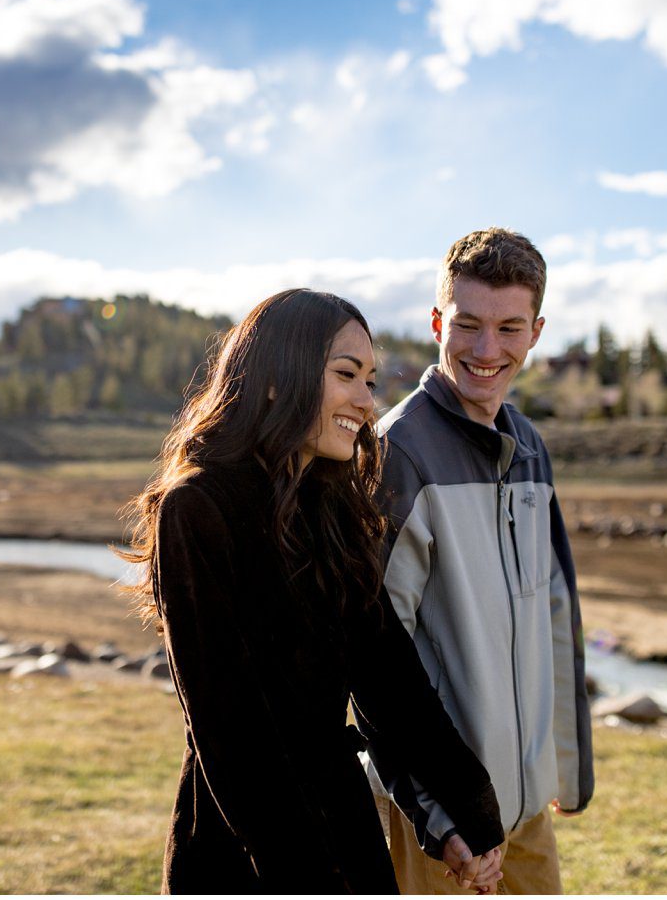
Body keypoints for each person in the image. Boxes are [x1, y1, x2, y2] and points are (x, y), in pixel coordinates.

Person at [123, 288, 508, 894]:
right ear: (278, 379)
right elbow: (230, 733)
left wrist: (469, 813)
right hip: (245, 849)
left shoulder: (331, 512)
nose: (366, 400)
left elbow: (391, 680)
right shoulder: (197, 509)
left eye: (370, 381)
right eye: (346, 374)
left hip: (343, 825)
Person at [360, 228, 594, 894]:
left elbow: (554, 612)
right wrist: (441, 819)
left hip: (525, 808)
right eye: (467, 325)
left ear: (536, 332)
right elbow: (375, 660)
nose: (487, 350)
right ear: (438, 322)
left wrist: (565, 768)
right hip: (442, 820)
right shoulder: (396, 454)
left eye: (509, 327)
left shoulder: (530, 447)